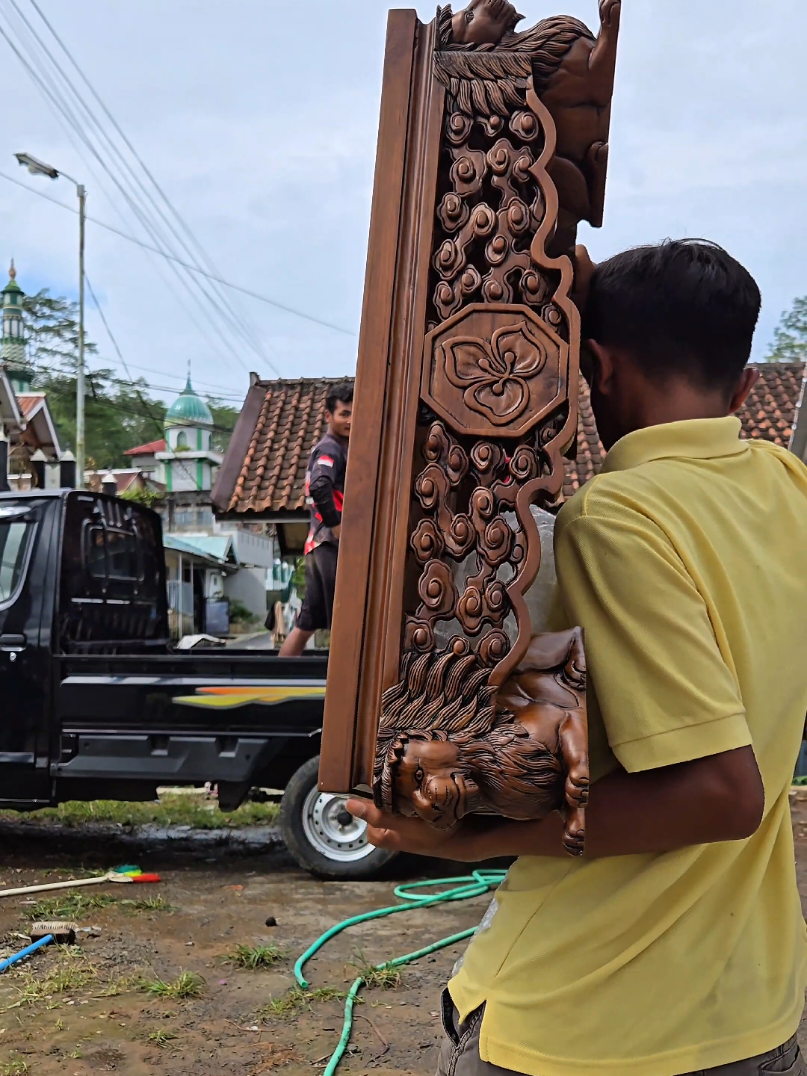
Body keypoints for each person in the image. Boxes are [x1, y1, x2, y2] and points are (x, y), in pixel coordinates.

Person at [348, 240, 807, 1076]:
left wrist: (468, 842)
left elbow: (718, 791)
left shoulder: (620, 518)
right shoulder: (784, 487)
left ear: (592, 367)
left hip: (592, 1018)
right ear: (743, 386)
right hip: (749, 1004)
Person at [279, 383, 353, 657]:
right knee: (346, 623)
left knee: (307, 623)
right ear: (328, 416)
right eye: (344, 414)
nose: (350, 420)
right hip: (328, 547)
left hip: (316, 547)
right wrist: (337, 526)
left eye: (354, 414)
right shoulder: (330, 448)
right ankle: (341, 694)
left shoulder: (342, 447)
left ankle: (276, 680)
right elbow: (320, 485)